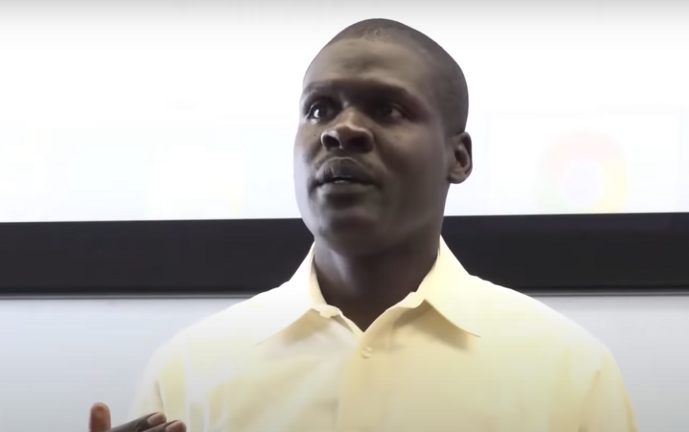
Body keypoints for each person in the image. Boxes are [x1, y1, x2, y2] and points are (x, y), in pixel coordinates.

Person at [90, 18, 639, 432]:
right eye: (319, 109)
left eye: (389, 109)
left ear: (459, 157)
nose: (342, 130)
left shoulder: (569, 372)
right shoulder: (187, 373)